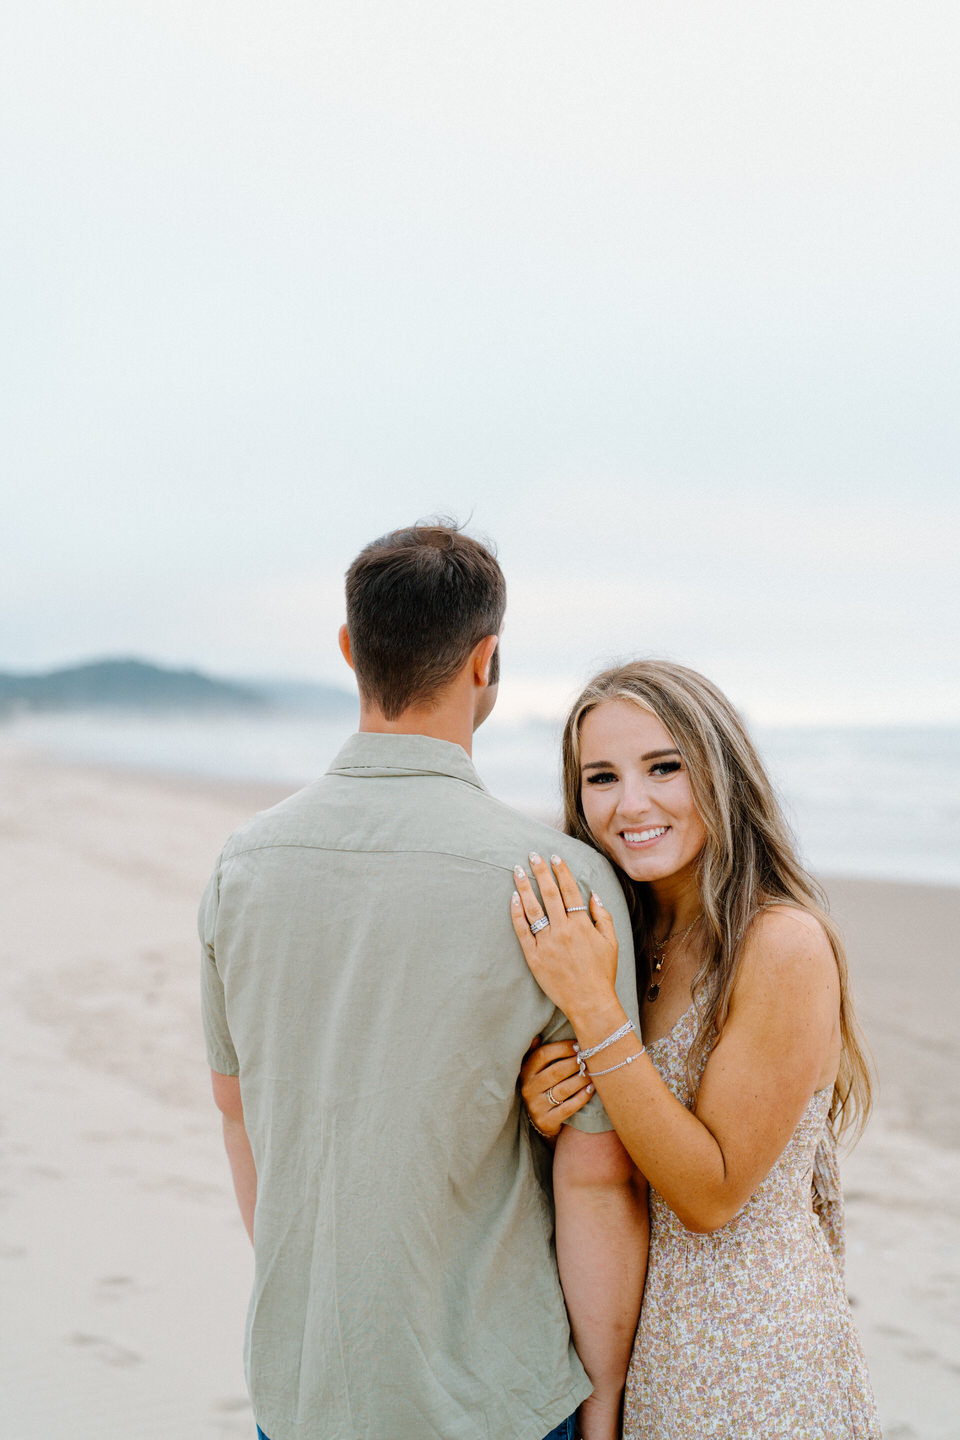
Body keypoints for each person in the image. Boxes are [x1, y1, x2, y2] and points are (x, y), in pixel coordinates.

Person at [199, 523, 646, 1440]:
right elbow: (594, 1177)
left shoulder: (240, 869)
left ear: (349, 650)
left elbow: (238, 1116)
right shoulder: (557, 882)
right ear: (487, 660)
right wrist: (602, 1401)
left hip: (300, 1391)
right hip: (496, 1399)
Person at [510, 660, 881, 1438]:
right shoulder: (623, 937)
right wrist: (548, 1107)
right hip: (634, 1358)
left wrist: (590, 1008)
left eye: (663, 767)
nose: (631, 803)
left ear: (721, 771)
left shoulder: (780, 945)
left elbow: (710, 1193)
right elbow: (619, 1147)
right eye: (601, 777)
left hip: (755, 1365)